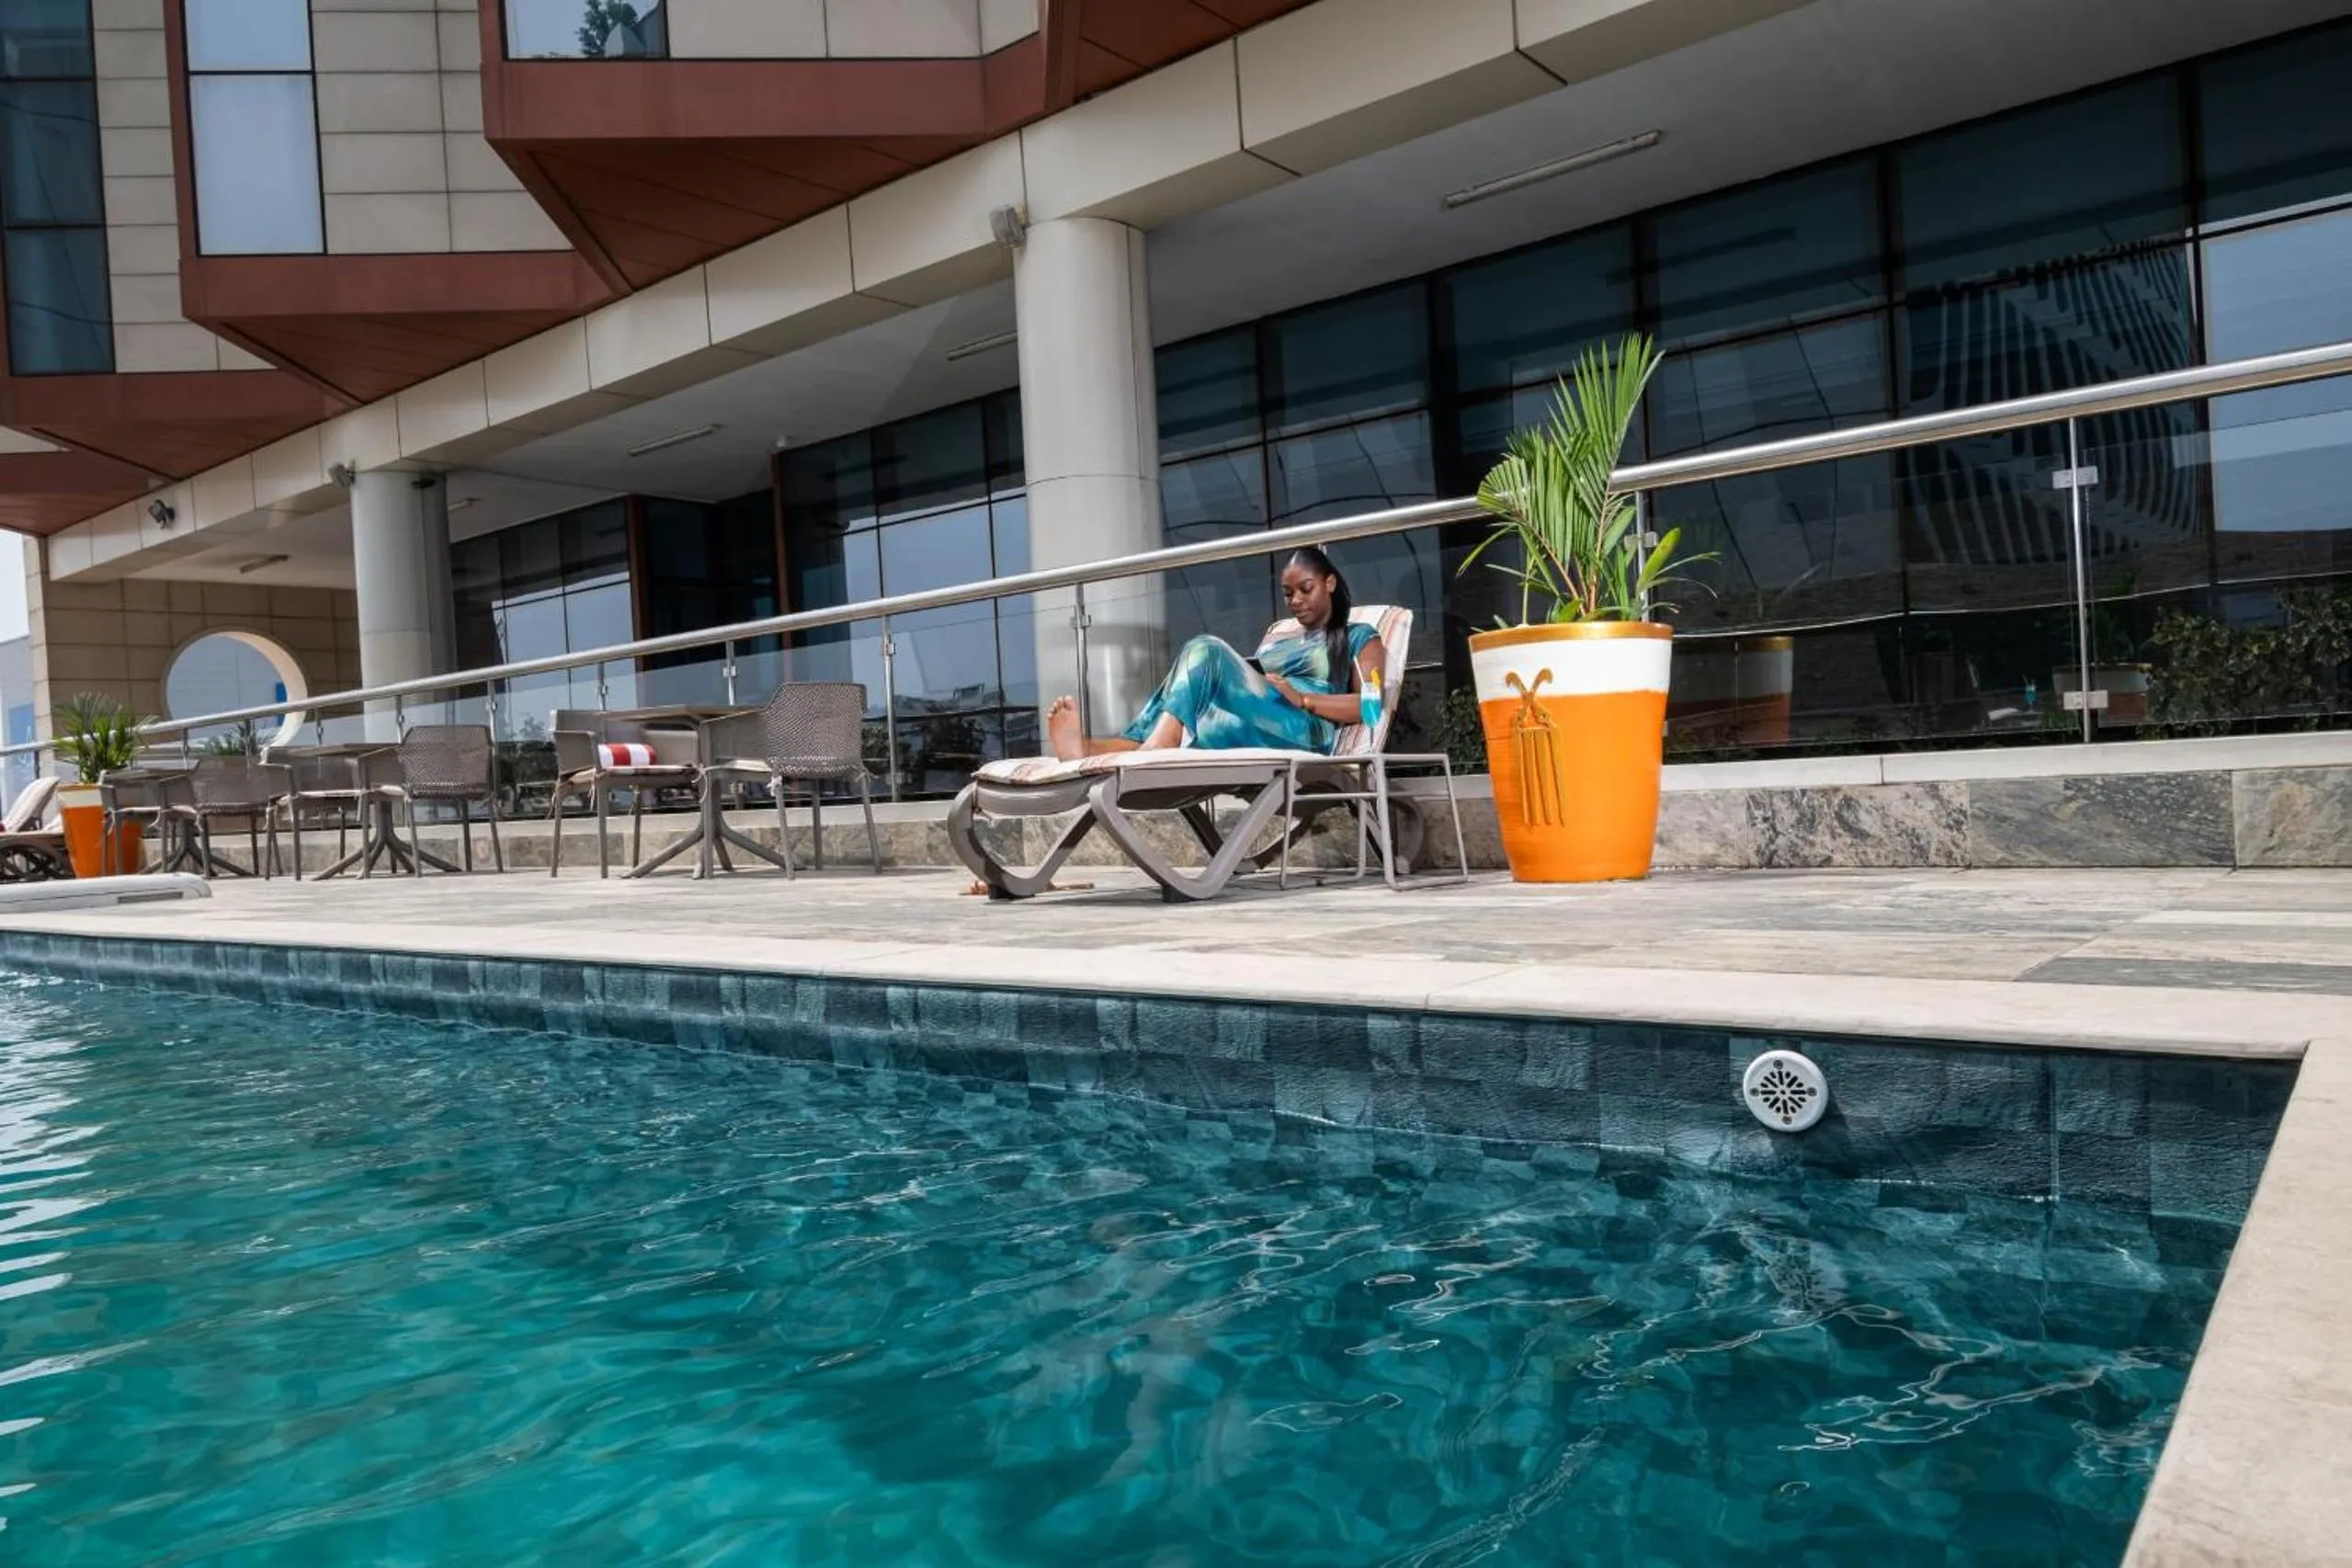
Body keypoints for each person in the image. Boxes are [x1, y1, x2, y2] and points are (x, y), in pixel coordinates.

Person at [1046, 546, 1386, 761]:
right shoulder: (1278, 642)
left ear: (1329, 583)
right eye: (1288, 593)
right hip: (1258, 720)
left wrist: (1303, 699)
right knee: (1188, 697)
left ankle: (1160, 745)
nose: (1295, 600)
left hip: (1305, 730)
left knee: (1205, 649)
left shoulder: (1358, 637)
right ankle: (1092, 750)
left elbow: (1371, 707)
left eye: (1305, 589)